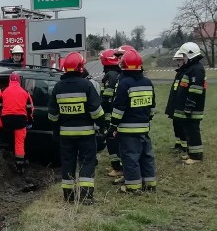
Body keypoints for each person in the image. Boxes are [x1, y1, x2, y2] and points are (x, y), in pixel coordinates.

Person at [48, 52, 105, 205]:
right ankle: (86, 197)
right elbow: (96, 111)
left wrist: (56, 130)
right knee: (87, 162)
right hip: (86, 134)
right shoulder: (86, 85)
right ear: (80, 67)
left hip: (66, 135)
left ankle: (68, 196)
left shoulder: (58, 87)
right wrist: (103, 125)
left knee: (67, 163)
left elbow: (53, 114)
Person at [110, 48, 157, 194]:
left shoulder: (124, 83)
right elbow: (152, 106)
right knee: (146, 156)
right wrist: (146, 119)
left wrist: (113, 125)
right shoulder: (147, 82)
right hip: (144, 128)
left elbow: (119, 108)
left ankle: (133, 187)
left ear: (123, 66)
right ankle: (150, 184)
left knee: (130, 157)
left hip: (127, 129)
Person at [0, 71, 34, 173]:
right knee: (19, 143)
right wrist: (29, 120)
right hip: (20, 122)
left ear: (9, 80)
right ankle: (20, 166)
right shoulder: (25, 92)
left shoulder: (3, 90)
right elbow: (30, 109)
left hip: (6, 120)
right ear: (19, 81)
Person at [173, 41, 206, 164]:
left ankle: (196, 156)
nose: (183, 59)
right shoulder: (191, 68)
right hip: (189, 107)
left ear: (190, 55)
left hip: (193, 108)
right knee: (188, 131)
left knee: (193, 131)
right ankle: (192, 153)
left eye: (184, 56)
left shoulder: (197, 69)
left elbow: (195, 90)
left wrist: (189, 106)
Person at [99, 48, 123, 177]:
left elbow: (106, 98)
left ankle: (117, 168)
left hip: (110, 115)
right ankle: (117, 166)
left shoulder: (111, 75)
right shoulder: (116, 73)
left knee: (111, 140)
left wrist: (99, 111)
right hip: (115, 114)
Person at [165, 50, 188, 155]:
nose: (178, 62)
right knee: (176, 124)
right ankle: (178, 143)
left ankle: (184, 146)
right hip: (175, 104)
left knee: (182, 125)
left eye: (180, 60)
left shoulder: (186, 72)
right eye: (177, 60)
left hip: (181, 105)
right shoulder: (179, 72)